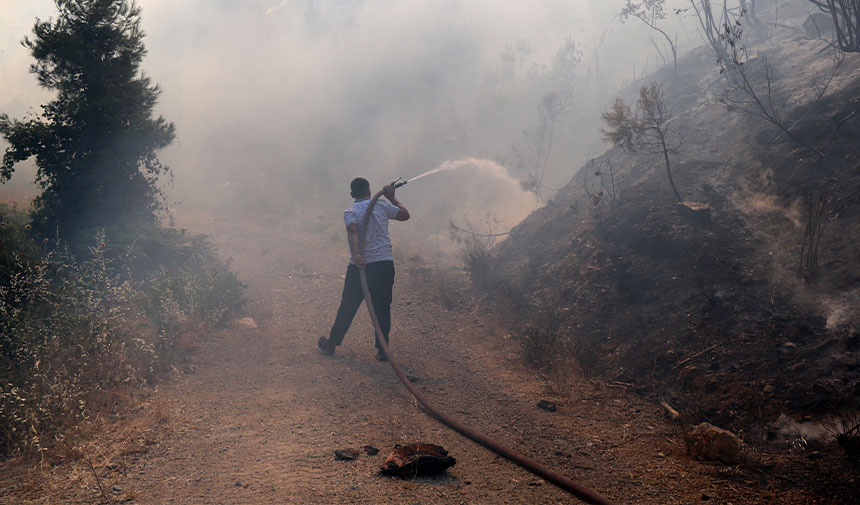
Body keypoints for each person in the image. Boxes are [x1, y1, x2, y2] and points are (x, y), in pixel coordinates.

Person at [318, 177, 410, 361]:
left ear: (352, 194)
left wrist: (356, 254)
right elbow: (404, 215)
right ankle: (382, 351)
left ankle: (331, 345)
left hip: (359, 266)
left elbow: (352, 231)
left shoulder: (350, 211)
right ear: (369, 191)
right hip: (383, 265)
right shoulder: (383, 205)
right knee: (382, 308)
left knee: (348, 306)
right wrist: (393, 198)